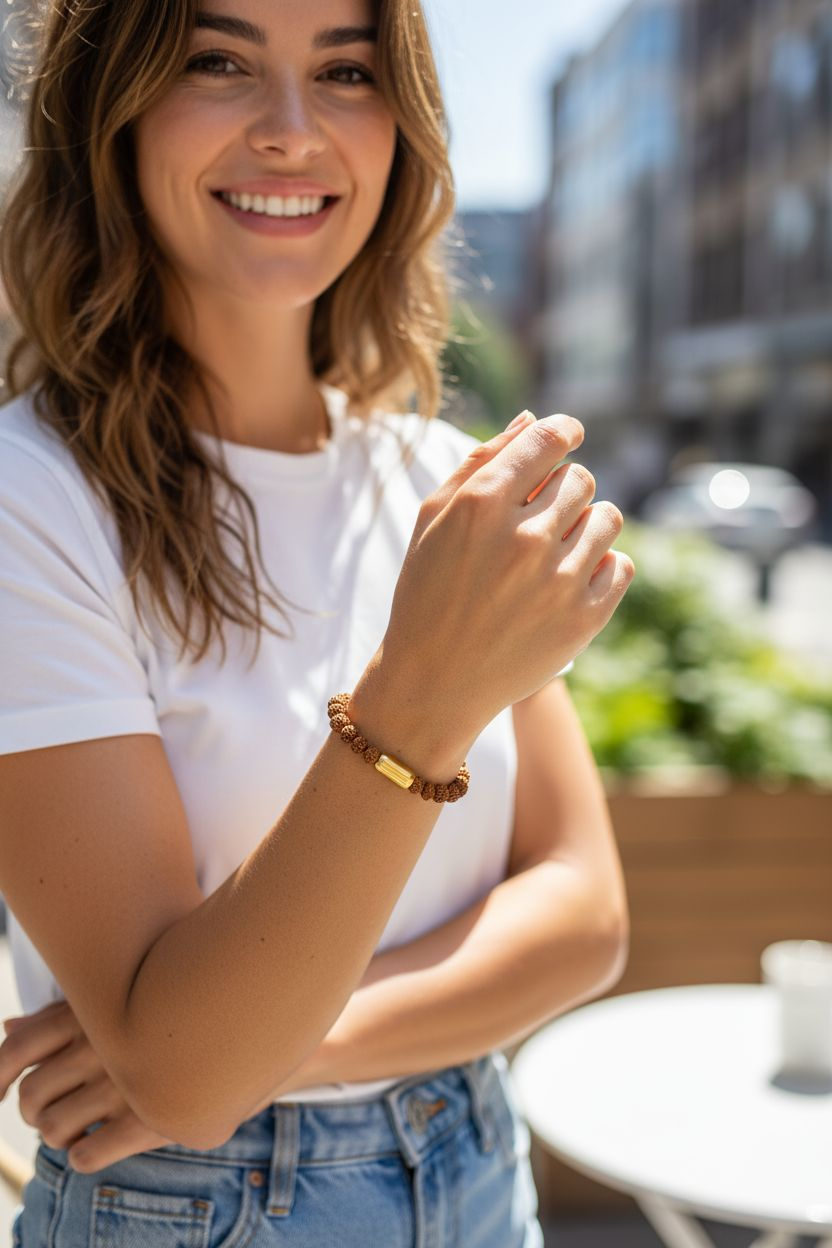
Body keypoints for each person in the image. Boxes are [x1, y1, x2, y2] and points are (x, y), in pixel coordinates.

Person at [0, 0, 634, 1244]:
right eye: (218, 61)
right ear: (108, 114)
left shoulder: (443, 477)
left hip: (477, 1167)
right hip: (188, 1206)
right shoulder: (33, 499)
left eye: (344, 71)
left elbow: (584, 916)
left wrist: (270, 1039)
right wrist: (422, 696)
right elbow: (189, 1083)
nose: (292, 131)